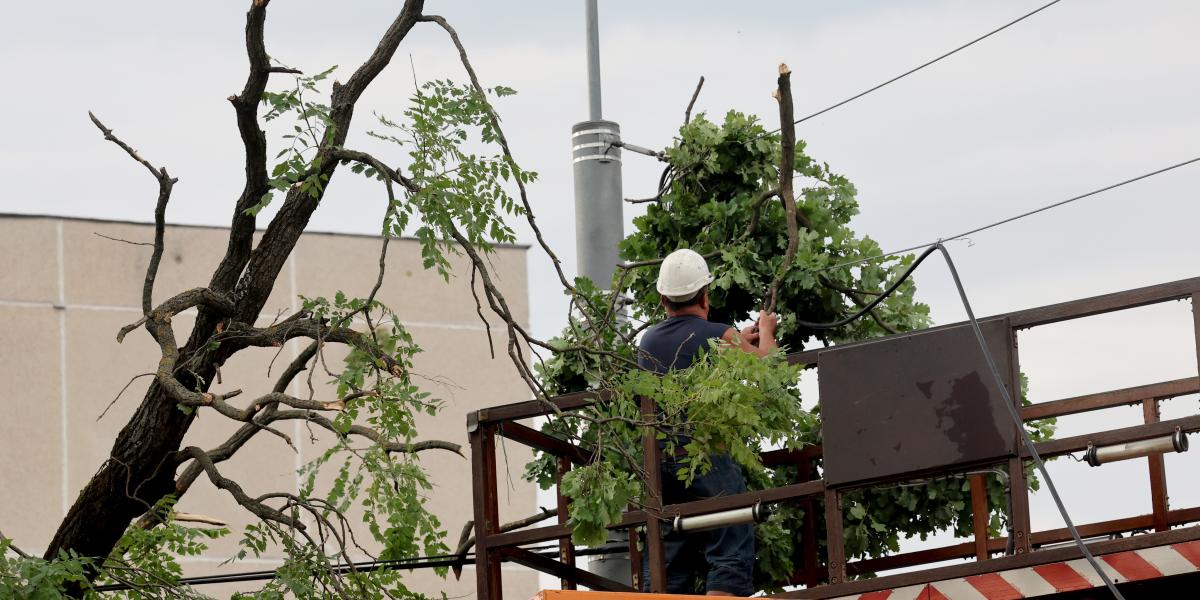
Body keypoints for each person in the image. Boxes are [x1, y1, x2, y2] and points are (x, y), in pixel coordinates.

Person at [637, 248, 779, 597]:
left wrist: (736, 340)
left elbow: (688, 351)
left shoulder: (648, 340)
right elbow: (768, 368)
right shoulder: (720, 335)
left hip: (660, 462)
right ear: (705, 295)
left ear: (661, 299)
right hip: (705, 454)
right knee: (732, 526)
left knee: (669, 546)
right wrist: (766, 329)